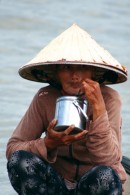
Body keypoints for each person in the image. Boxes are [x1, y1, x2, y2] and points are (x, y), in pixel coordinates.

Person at [6, 24, 128, 195]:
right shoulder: (45, 97)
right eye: (66, 67)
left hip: (92, 183)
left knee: (106, 175)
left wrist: (99, 109)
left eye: (83, 67)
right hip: (56, 184)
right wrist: (49, 143)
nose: (75, 76)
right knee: (19, 160)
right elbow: (13, 148)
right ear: (56, 72)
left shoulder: (109, 99)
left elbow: (109, 160)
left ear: (94, 71)